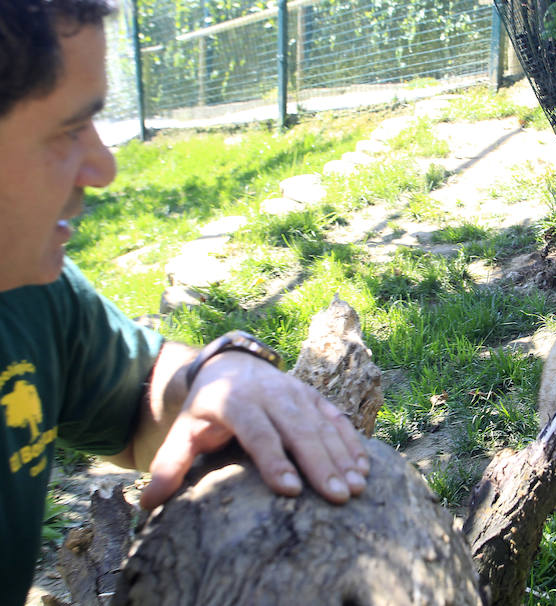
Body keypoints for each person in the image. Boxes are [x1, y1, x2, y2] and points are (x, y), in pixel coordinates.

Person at [0, 2, 370, 603]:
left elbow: (134, 400)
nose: (104, 167)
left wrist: (218, 371)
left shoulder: (30, 292)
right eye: (70, 129)